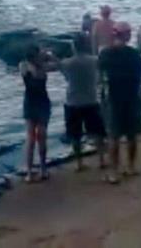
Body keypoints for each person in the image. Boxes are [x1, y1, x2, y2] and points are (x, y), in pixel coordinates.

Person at [98, 22, 141, 184]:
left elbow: (101, 77)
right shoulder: (134, 54)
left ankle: (114, 172)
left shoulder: (105, 53)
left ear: (114, 34)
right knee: (131, 135)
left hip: (113, 97)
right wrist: (140, 94)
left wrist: (101, 96)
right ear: (126, 35)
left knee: (114, 136)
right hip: (131, 97)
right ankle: (131, 167)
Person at [60, 34, 107, 172]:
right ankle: (102, 160)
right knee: (98, 132)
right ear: (86, 46)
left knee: (75, 135)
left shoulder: (67, 63)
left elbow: (66, 77)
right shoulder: (94, 60)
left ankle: (79, 163)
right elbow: (100, 75)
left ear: (73, 47)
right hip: (91, 100)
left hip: (73, 102)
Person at [19, 45, 59, 183]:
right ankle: (36, 170)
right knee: (36, 137)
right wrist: (46, 58)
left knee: (36, 137)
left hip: (35, 102)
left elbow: (57, 65)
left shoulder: (27, 66)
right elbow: (53, 66)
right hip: (37, 103)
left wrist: (46, 56)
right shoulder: (34, 67)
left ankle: (36, 170)